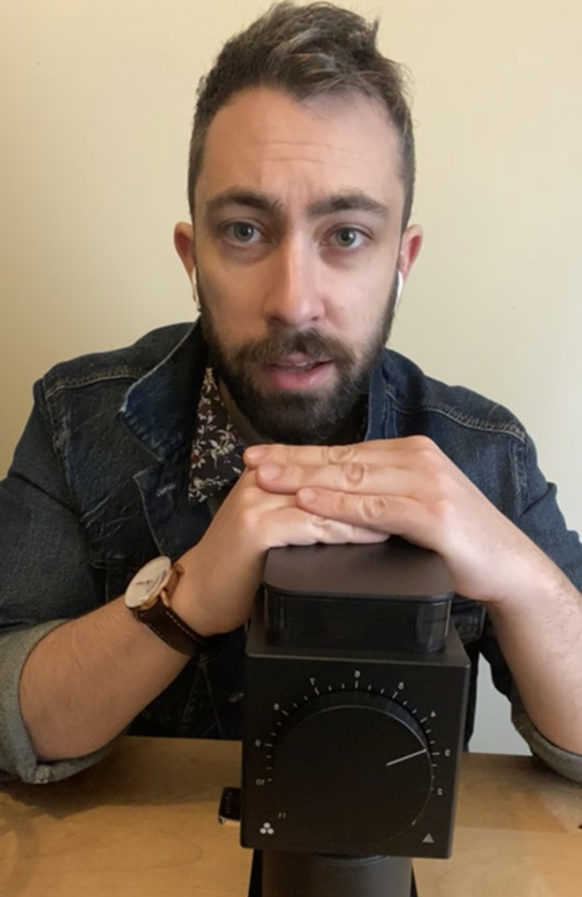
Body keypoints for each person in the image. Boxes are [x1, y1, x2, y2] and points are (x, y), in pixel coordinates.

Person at [1, 1, 581, 785]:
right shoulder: (79, 420)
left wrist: (516, 570)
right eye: (245, 230)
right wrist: (189, 596)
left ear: (401, 260)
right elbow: (12, 718)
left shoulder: (484, 451)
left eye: (346, 235)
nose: (294, 301)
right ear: (192, 254)